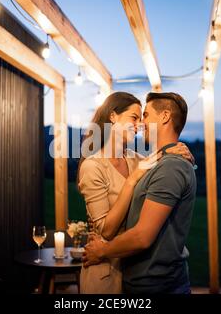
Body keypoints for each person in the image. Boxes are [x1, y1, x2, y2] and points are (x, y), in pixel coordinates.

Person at [77, 91, 195, 294]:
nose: (140, 124)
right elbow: (106, 230)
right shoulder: (93, 166)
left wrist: (181, 151)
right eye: (134, 117)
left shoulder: (137, 159)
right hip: (105, 268)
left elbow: (166, 164)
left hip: (135, 267)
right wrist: (132, 179)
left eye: (143, 118)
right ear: (113, 117)